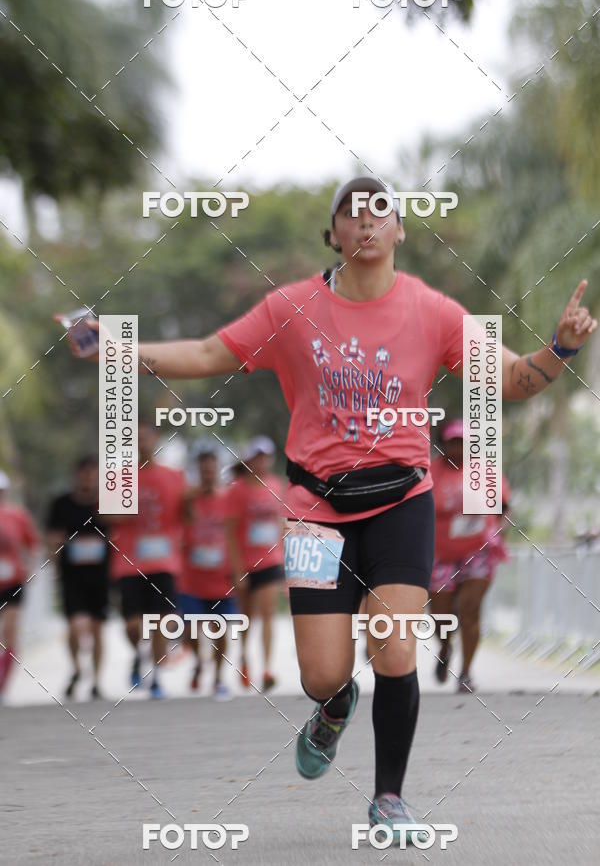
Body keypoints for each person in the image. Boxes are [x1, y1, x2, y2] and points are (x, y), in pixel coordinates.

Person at [69, 176, 597, 843]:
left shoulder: (433, 312)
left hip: (401, 502)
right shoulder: (291, 308)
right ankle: (335, 705)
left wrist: (561, 347)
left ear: (400, 230)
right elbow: (207, 353)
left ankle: (389, 797)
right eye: (352, 213)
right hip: (315, 511)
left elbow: (513, 379)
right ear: (334, 234)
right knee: (321, 673)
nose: (367, 221)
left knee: (393, 644)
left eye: (381, 211)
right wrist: (117, 349)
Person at [428, 420, 511, 693]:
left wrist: (499, 532)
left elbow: (504, 508)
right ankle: (445, 647)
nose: (458, 448)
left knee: (470, 608)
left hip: (478, 551)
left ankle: (465, 673)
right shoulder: (430, 472)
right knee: (440, 615)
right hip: (440, 552)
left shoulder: (486, 472)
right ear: (444, 444)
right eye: (453, 442)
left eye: (463, 443)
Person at [110, 419, 186, 700]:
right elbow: (105, 515)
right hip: (129, 562)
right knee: (133, 626)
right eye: (136, 438)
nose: (142, 442)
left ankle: (156, 676)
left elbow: (187, 513)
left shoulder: (174, 476)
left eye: (146, 437)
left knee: (161, 622)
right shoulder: (120, 476)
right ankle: (139, 655)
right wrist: (125, 510)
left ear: (155, 440)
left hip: (164, 561)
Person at [46, 456, 110, 700]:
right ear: (77, 475)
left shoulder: (107, 504)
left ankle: (97, 681)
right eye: (84, 473)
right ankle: (76, 668)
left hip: (100, 576)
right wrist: (54, 562)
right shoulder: (61, 504)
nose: (88, 479)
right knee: (75, 626)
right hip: (71, 576)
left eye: (93, 474)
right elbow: (52, 537)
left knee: (97, 628)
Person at [223, 436, 284, 693]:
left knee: (268, 612)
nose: (262, 462)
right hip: (246, 563)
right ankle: (244, 656)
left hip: (270, 560)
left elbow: (281, 523)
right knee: (247, 617)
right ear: (249, 460)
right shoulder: (237, 490)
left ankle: (268, 668)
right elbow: (230, 532)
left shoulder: (276, 484)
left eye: (266, 457)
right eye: (257, 457)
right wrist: (238, 569)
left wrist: (285, 558)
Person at [180, 445, 238, 700]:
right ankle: (198, 660)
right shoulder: (187, 499)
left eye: (211, 469)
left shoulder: (229, 498)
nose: (208, 474)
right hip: (191, 577)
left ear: (218, 470)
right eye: (203, 470)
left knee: (221, 629)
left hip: (222, 576)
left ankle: (218, 678)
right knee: (191, 628)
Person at [0, 471, 38, 701]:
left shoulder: (17, 516)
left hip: (12, 582)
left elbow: (32, 545)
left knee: (10, 633)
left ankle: (2, 685)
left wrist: (29, 569)